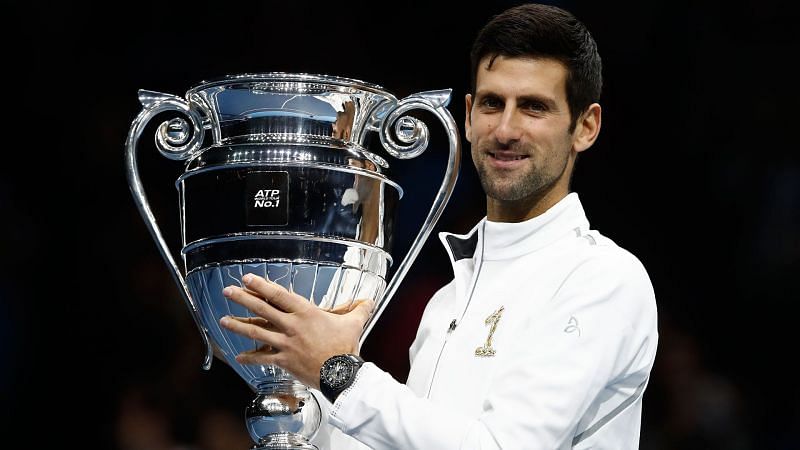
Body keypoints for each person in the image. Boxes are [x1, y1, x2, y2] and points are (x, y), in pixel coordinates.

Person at [218, 3, 659, 448]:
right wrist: (298, 378)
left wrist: (339, 371)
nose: (505, 129)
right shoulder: (446, 302)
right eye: (492, 103)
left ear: (586, 126)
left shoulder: (605, 279)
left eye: (533, 107)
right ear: (467, 116)